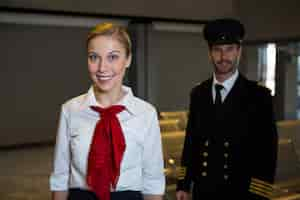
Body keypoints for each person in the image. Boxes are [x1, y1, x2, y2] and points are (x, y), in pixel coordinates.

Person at [50, 22, 165, 200]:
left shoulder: (146, 114)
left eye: (113, 57)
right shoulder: (70, 110)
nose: (102, 68)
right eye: (94, 57)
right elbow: (60, 176)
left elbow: (153, 181)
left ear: (128, 60)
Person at [176, 18, 278, 200]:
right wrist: (183, 184)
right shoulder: (198, 94)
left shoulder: (259, 97)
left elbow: (267, 154)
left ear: (239, 51)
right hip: (203, 193)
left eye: (229, 49)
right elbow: (191, 143)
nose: (223, 57)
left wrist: (259, 195)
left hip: (241, 194)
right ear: (210, 53)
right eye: (217, 50)